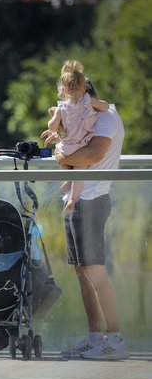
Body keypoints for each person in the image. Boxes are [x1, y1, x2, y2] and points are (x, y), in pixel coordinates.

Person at [41, 78, 130, 360]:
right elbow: (74, 158)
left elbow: (93, 154)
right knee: (83, 272)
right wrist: (64, 148)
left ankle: (116, 340)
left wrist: (62, 155)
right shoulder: (87, 119)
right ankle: (95, 337)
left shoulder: (106, 118)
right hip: (79, 201)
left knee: (95, 271)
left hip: (92, 201)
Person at [47, 60, 109, 215]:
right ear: (85, 88)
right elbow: (106, 107)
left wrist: (54, 115)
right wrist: (95, 103)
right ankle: (72, 200)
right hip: (83, 145)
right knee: (80, 171)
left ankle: (68, 177)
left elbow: (52, 127)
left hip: (67, 146)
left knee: (62, 157)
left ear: (62, 89)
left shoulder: (61, 108)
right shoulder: (88, 102)